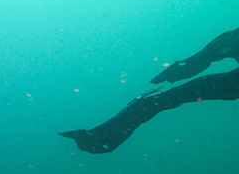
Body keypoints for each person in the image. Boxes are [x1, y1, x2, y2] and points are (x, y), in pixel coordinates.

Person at [60, 27, 239, 153]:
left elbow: (208, 56)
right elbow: (208, 55)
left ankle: (105, 136)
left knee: (167, 98)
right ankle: (104, 135)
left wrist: (181, 70)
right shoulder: (232, 38)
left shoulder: (232, 38)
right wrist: (179, 70)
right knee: (165, 98)